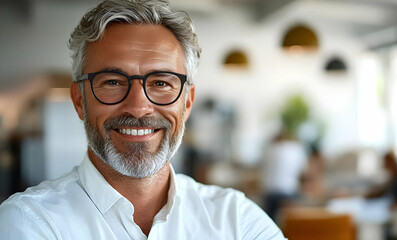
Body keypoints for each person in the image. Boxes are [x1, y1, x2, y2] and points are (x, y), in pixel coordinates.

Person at [0, 1, 285, 239]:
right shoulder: (29, 223)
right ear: (79, 100)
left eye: (161, 83)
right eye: (112, 81)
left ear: (187, 102)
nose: (138, 108)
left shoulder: (236, 219)